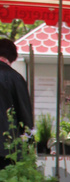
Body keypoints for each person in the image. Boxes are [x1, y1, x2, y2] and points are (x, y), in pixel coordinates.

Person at [0, 36, 34, 170]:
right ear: (13, 57)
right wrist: (30, 139)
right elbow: (24, 113)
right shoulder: (16, 78)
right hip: (7, 147)